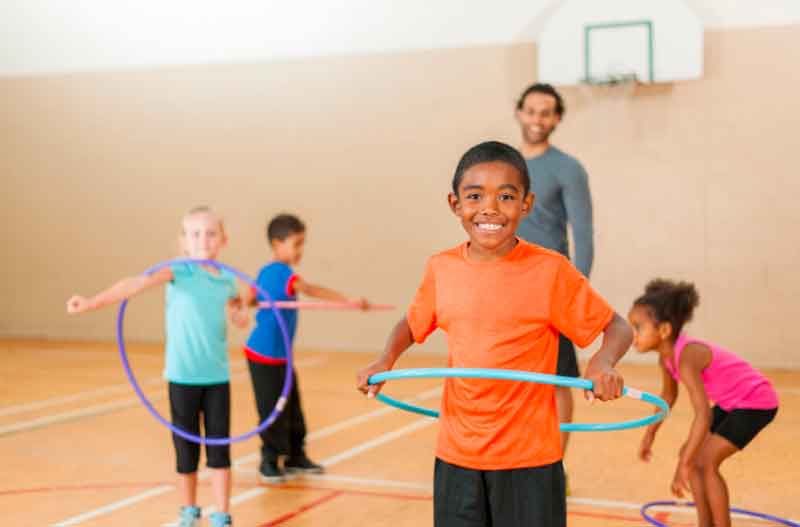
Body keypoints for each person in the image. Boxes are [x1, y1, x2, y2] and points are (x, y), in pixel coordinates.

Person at [356, 141, 632, 527]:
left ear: (526, 204)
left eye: (506, 196)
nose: (489, 208)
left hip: (529, 461)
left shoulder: (550, 271)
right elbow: (412, 323)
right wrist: (386, 359)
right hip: (457, 456)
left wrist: (602, 361)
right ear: (455, 204)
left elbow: (617, 326)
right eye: (475, 196)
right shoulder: (442, 268)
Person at [66, 206, 246, 527]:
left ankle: (221, 513)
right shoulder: (178, 271)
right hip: (182, 377)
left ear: (223, 239)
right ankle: (189, 511)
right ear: (183, 242)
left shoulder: (228, 280)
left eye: (210, 233)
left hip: (217, 377)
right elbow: (134, 284)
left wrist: (238, 315)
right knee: (186, 451)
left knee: (219, 449)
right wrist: (93, 302)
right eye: (195, 234)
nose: (203, 240)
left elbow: (235, 304)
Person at [629, 279, 779, 527]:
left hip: (755, 401)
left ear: (664, 330)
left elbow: (703, 415)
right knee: (691, 457)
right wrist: (649, 435)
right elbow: (668, 397)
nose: (631, 334)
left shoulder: (687, 356)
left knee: (705, 462)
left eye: (638, 327)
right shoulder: (666, 358)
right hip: (733, 402)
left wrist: (682, 465)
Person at [243, 213, 369, 482]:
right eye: (296, 243)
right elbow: (310, 289)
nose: (300, 250)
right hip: (264, 355)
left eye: (302, 243)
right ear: (278, 244)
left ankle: (295, 456)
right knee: (273, 409)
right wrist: (347, 301)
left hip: (281, 356)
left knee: (291, 408)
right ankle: (269, 460)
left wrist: (246, 302)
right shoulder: (279, 272)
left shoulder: (266, 272)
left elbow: (251, 296)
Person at [514, 83, 595, 471]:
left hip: (550, 291)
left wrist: (576, 292)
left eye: (545, 112)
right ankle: (511, 459)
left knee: (559, 382)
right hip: (504, 291)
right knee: (507, 381)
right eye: (531, 111)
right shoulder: (504, 165)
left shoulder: (568, 168)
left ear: (557, 118)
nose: (537, 119)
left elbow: (584, 234)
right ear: (519, 113)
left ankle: (553, 467)